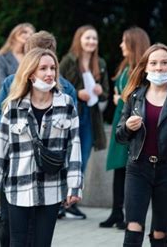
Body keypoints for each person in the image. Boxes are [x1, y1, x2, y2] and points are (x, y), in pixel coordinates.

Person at [0, 48, 83, 247]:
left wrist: (75, 185)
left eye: (53, 68)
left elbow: (75, 148)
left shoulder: (67, 104)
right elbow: (0, 149)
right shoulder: (12, 106)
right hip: (17, 187)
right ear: (30, 74)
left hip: (52, 188)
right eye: (43, 68)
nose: (49, 73)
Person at [116, 43, 167, 247]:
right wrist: (127, 127)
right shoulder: (134, 97)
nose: (158, 67)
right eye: (153, 63)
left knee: (161, 233)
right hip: (138, 168)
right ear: (145, 67)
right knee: (133, 227)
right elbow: (120, 136)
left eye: (164, 63)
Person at [100, 27, 150, 230]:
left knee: (129, 169)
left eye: (124, 41)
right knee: (119, 169)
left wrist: (120, 98)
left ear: (134, 44)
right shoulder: (125, 67)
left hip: (132, 123)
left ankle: (130, 215)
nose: (121, 45)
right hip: (120, 119)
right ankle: (116, 211)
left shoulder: (141, 69)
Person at [59, 24, 109, 219]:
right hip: (72, 116)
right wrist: (76, 93)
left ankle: (70, 202)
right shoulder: (69, 61)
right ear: (79, 39)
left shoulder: (101, 63)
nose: (91, 42)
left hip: (91, 117)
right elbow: (57, 85)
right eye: (87, 38)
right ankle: (59, 203)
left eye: (94, 38)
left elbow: (105, 92)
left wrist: (99, 91)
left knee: (82, 159)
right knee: (67, 159)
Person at [0, 23, 35, 90]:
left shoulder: (32, 57)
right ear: (15, 34)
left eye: (31, 34)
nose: (28, 35)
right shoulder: (0, 58)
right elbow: (3, 83)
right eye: (25, 32)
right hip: (8, 97)